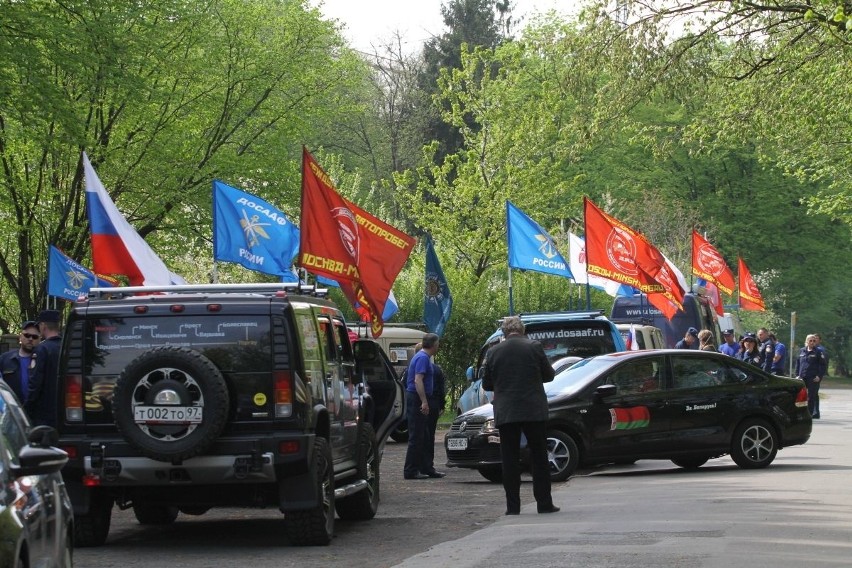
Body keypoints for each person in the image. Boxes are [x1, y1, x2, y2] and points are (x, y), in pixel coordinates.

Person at [482, 316, 559, 516]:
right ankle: (544, 504)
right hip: (533, 410)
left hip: (506, 411)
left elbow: (487, 384)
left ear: (504, 332)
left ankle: (513, 507)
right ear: (522, 330)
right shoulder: (534, 347)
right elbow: (549, 375)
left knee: (509, 458)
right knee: (539, 457)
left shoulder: (493, 352)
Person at [403, 333, 441, 480]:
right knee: (416, 436)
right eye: (437, 344)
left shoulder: (423, 357)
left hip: (419, 398)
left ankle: (426, 467)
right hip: (417, 398)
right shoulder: (422, 358)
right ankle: (411, 470)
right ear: (434, 345)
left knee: (424, 435)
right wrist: (424, 401)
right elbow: (418, 380)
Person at [25, 310, 63, 426]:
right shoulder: (65, 347)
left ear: (43, 326)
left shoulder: (42, 350)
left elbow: (35, 382)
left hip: (44, 414)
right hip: (63, 410)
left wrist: (27, 408)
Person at [0, 321, 41, 402]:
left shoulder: (42, 360)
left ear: (39, 340)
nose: (30, 339)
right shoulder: (5, 359)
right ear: (20, 337)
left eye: (34, 337)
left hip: (36, 410)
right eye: (27, 335)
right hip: (13, 410)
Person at [423, 362, 447, 478]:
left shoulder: (410, 368)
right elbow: (441, 388)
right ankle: (428, 465)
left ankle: (417, 465)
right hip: (432, 403)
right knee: (430, 435)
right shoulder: (436, 369)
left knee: (417, 436)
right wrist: (442, 405)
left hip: (418, 403)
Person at [796, 334, 828, 419]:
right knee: (800, 396)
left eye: (814, 341)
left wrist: (819, 376)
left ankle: (809, 414)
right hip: (802, 377)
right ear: (807, 341)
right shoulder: (802, 351)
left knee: (811, 397)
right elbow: (798, 364)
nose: (812, 342)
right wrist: (797, 375)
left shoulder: (818, 352)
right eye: (810, 340)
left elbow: (823, 365)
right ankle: (800, 413)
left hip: (813, 378)